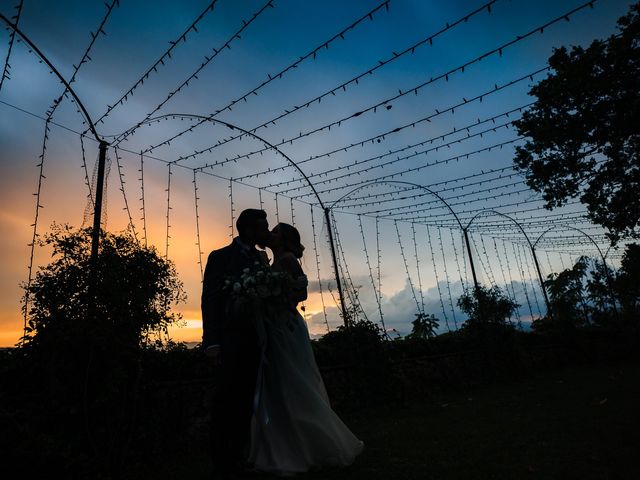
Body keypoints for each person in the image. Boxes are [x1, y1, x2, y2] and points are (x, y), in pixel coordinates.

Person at [248, 222, 365, 476]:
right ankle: (287, 442)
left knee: (295, 381)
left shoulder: (288, 259)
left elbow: (301, 293)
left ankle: (313, 444)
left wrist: (276, 297)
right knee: (279, 384)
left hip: (286, 326)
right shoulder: (270, 261)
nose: (272, 234)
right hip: (273, 326)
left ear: (285, 239)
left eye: (277, 231)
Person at [201, 209, 271, 478]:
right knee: (224, 404)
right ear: (247, 229)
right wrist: (212, 342)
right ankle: (221, 464)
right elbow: (211, 300)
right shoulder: (220, 257)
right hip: (229, 341)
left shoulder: (261, 258)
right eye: (261, 228)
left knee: (246, 403)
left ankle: (239, 458)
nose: (265, 232)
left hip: (255, 340)